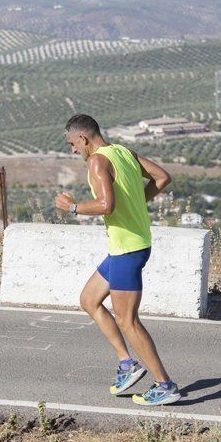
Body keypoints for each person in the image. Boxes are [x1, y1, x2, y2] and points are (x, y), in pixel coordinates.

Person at [54, 114, 181, 406]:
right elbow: (162, 178)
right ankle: (128, 363)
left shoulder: (97, 161)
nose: (73, 150)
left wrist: (71, 207)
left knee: (127, 320)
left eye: (72, 144)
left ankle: (165, 385)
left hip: (127, 250)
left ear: (83, 139)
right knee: (89, 300)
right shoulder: (123, 152)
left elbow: (105, 205)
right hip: (129, 246)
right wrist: (136, 203)